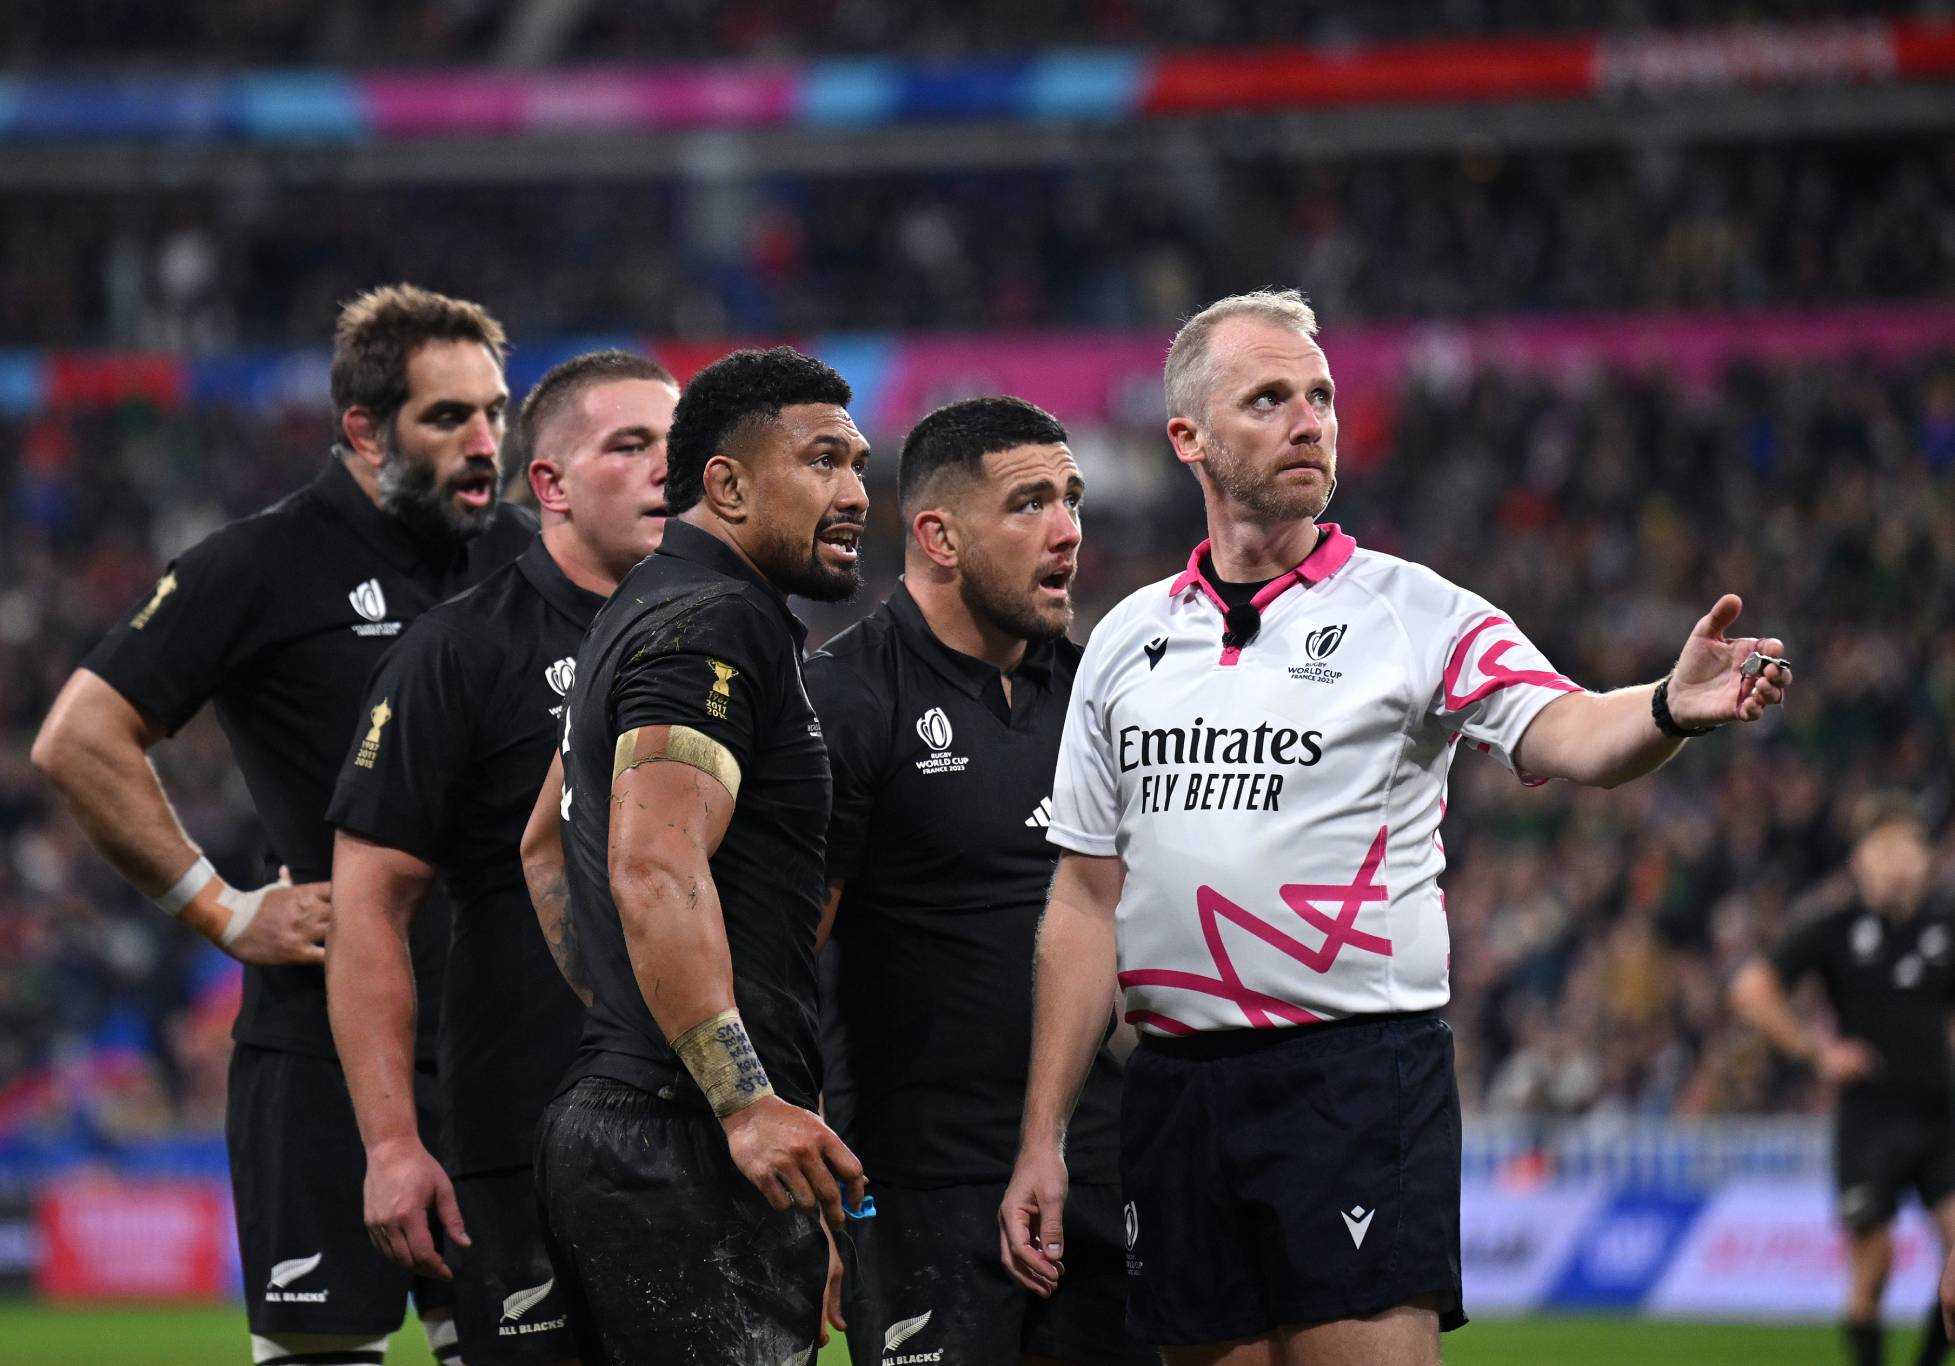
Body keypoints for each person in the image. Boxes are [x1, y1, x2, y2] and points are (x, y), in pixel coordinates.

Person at [998, 288, 1792, 1366]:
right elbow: (1084, 902)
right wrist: (1041, 1135)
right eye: (1268, 397)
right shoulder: (1125, 640)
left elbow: (1564, 730)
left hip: (1352, 1080)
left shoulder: (1411, 611)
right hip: (1175, 1090)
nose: (1308, 419)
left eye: (1319, 395)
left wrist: (1662, 705)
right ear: (1185, 435)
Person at [31, 284, 534, 1366]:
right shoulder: (259, 564)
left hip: (501, 1051)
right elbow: (78, 737)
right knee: (323, 1352)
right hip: (319, 1052)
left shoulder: (526, 563)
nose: (485, 441)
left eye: (495, 410)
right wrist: (220, 908)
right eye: (447, 418)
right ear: (362, 428)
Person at [325, 350, 679, 1366]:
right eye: (630, 445)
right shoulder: (459, 649)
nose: (668, 468)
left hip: (705, 1134)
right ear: (550, 485)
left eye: (677, 446)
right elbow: (367, 905)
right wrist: (393, 1144)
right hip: (524, 1140)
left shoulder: (735, 639)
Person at [533, 346, 870, 1364]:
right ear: (723, 483)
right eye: (820, 463)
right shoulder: (714, 626)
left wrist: (634, 1029)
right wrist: (738, 1096)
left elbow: (545, 849)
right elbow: (652, 865)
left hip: (638, 1118)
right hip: (683, 1136)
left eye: (857, 464)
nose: (854, 492)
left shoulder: (638, 610)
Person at [806, 396, 1152, 1366]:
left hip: (1104, 1173)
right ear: (937, 535)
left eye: (1072, 499)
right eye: (1029, 502)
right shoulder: (844, 702)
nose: (1067, 530)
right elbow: (787, 963)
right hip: (923, 1193)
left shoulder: (1100, 700)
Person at [1731, 797, 1954, 1366]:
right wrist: (1818, 1050)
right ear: (1859, 861)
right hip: (1868, 1118)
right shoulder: (1834, 926)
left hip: (1942, 1111)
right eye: (1885, 848)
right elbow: (1751, 989)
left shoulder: (1946, 922)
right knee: (1872, 1271)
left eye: (1910, 847)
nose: (1899, 861)